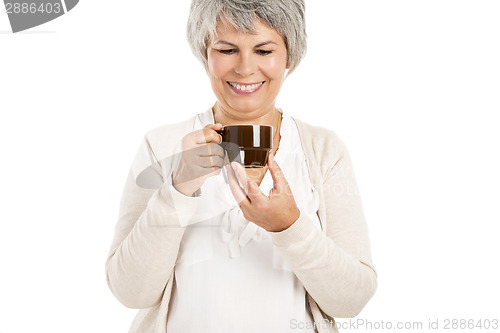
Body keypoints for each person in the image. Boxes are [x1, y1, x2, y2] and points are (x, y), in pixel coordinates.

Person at [105, 0, 377, 332]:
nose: (245, 68)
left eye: (264, 51)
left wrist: (290, 226)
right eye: (227, 49)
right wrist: (178, 190)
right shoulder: (161, 145)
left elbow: (351, 301)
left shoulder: (323, 150)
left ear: (289, 55)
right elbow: (130, 292)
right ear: (205, 53)